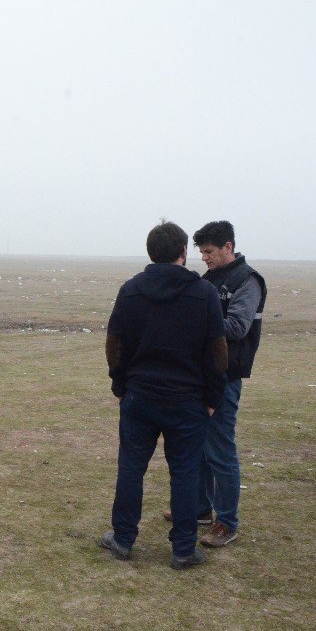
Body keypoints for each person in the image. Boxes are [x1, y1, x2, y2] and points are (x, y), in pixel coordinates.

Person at [99, 221, 227, 569]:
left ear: (151, 253)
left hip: (140, 396)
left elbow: (114, 344)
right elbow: (217, 353)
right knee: (185, 473)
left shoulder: (131, 290)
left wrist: (120, 384)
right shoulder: (204, 294)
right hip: (188, 401)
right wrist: (214, 397)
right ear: (184, 253)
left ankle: (123, 538)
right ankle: (183, 549)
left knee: (131, 468)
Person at [189, 221, 267, 548]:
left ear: (228, 247)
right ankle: (202, 509)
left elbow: (236, 326)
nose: (204, 258)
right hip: (202, 374)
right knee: (200, 447)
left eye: (209, 252)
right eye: (201, 253)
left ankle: (227, 521)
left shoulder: (247, 281)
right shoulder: (210, 279)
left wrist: (193, 321)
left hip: (226, 375)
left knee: (220, 448)